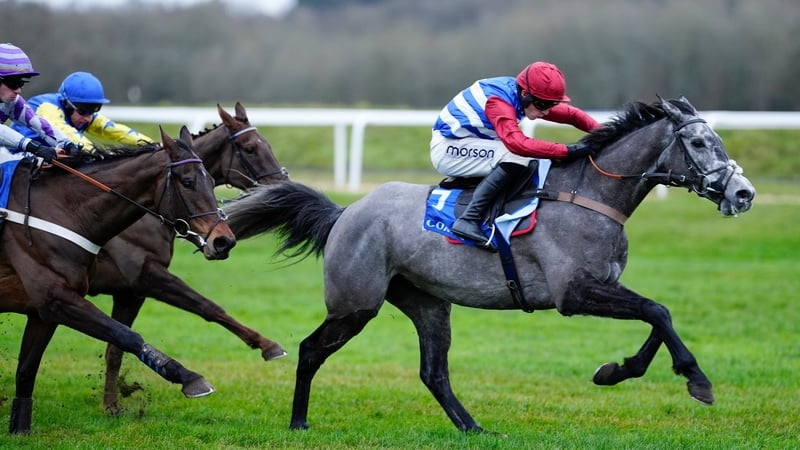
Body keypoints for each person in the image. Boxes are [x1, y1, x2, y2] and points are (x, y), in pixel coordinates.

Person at [430, 61, 601, 251]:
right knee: (517, 156)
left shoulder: (523, 96)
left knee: (528, 158)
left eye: (552, 104)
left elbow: (571, 115)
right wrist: (567, 151)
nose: (545, 111)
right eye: (543, 104)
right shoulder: (498, 101)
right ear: (525, 94)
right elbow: (517, 143)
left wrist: (609, 134)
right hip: (449, 149)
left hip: (469, 143)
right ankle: (468, 220)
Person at [12, 71, 153, 152]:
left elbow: (116, 131)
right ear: (67, 104)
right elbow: (66, 133)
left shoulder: (83, 114)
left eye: (93, 111)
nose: (88, 117)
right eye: (83, 111)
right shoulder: (48, 108)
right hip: (12, 155)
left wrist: (154, 145)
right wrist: (98, 155)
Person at [0, 43, 69, 163]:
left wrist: (66, 143)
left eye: (21, 84)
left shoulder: (12, 102)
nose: (18, 90)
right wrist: (34, 147)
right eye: (13, 84)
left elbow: (37, 123)